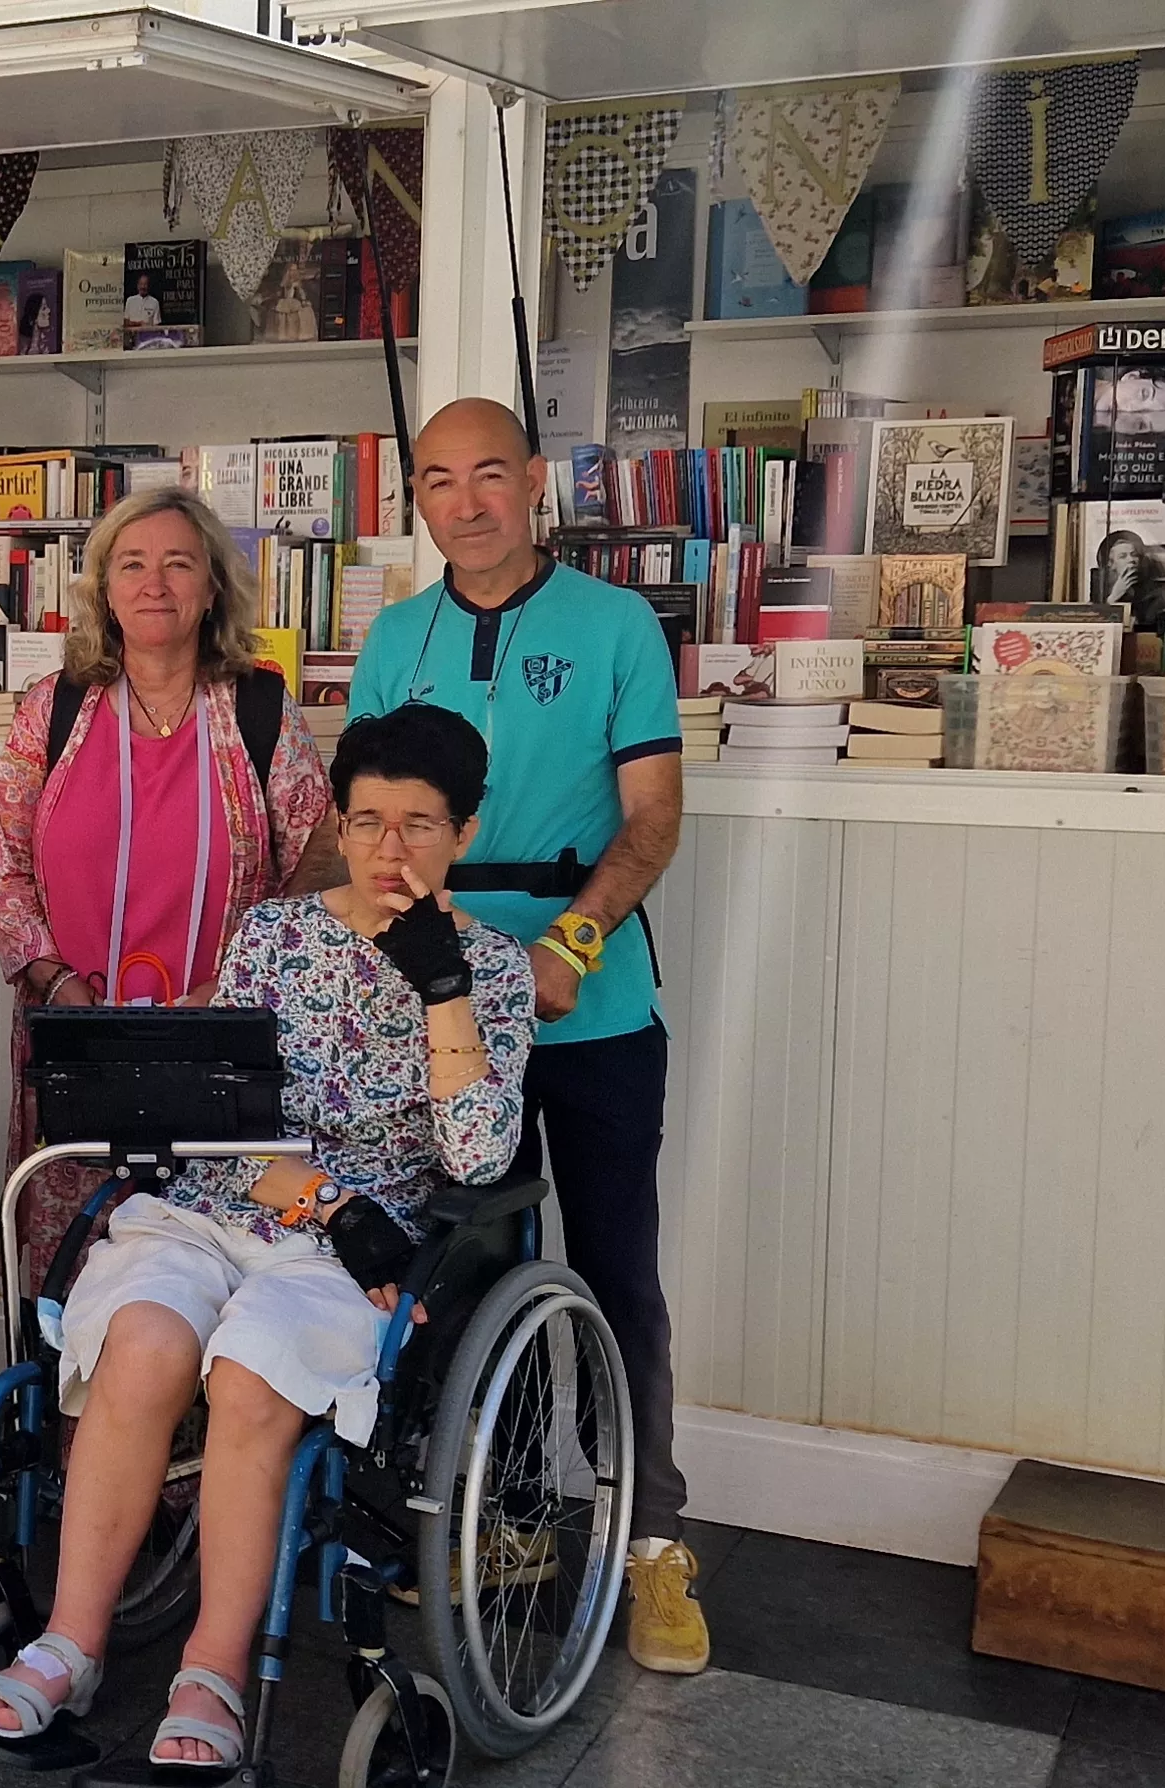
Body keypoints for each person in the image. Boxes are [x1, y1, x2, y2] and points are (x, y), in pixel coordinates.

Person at [0, 705, 537, 1765]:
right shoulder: (274, 934)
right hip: (232, 1203)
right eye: (366, 823)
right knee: (141, 1347)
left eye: (417, 825)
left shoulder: (494, 969)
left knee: (251, 1376)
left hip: (360, 1252)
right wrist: (317, 1199)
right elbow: (217, 1115)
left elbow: (476, 1157)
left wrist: (440, 984)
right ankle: (69, 1641)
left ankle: (213, 1670)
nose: (388, 850)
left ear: (464, 830)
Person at [348, 397, 707, 1674]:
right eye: (439, 480)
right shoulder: (397, 636)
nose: (467, 501)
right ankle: (496, 1526)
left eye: (490, 473)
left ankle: (654, 1543)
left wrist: (572, 945)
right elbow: (375, 826)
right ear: (419, 498)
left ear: (535, 482)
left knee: (616, 1271)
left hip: (587, 1003)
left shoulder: (616, 625)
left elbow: (652, 819)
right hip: (441, 1009)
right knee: (462, 1271)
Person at [0, 484, 330, 1285]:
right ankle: (70, 1408)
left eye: (178, 564)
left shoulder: (260, 707)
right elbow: (4, 857)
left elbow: (317, 861)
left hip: (218, 1035)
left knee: (203, 1256)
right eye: (132, 565)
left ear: (212, 588)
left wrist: (236, 985)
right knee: (75, 1245)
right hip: (76, 1029)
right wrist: (52, 976)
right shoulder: (54, 707)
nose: (155, 583)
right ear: (104, 588)